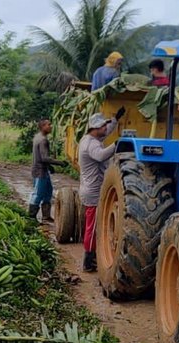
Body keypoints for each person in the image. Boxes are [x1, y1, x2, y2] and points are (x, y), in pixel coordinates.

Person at [78, 107, 125, 272]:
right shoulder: (90, 144)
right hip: (93, 191)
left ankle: (90, 258)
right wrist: (117, 144)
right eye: (103, 126)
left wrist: (115, 119)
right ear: (95, 128)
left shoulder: (92, 138)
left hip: (91, 188)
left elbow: (107, 132)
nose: (105, 128)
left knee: (94, 224)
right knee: (93, 225)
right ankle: (88, 260)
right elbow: (100, 155)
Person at [29, 118, 67, 222]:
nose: (50, 126)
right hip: (40, 171)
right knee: (38, 194)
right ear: (43, 127)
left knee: (48, 192)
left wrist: (49, 167)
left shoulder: (37, 137)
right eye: (48, 125)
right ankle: (31, 217)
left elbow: (39, 156)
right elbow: (44, 158)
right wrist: (60, 162)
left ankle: (46, 215)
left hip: (42, 170)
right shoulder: (43, 140)